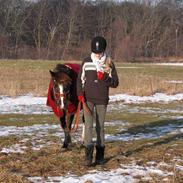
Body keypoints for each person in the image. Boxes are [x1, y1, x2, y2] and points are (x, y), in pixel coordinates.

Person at [77, 36, 119, 166]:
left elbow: (115, 83)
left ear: (104, 50)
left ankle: (100, 156)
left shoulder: (109, 63)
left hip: (101, 99)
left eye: (100, 52)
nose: (98, 54)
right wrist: (80, 94)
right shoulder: (86, 62)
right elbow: (80, 80)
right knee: (88, 126)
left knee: (100, 127)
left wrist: (105, 77)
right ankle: (88, 157)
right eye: (95, 52)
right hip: (88, 99)